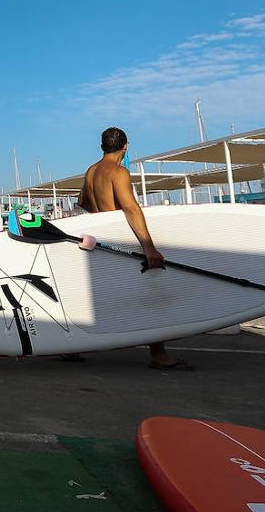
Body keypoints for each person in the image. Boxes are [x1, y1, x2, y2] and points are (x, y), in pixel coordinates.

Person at [77, 127, 190, 371]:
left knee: (102, 296)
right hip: (122, 241)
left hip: (101, 242)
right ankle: (158, 354)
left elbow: (82, 202)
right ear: (125, 146)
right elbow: (130, 208)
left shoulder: (91, 172)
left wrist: (101, 217)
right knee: (153, 291)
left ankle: (73, 346)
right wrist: (149, 247)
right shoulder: (118, 172)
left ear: (102, 146)